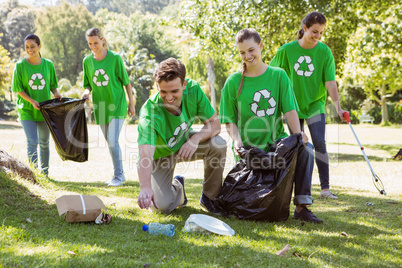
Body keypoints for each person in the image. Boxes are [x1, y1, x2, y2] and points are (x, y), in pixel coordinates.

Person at [220, 28, 323, 223]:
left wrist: (298, 135)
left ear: (260, 46)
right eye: (242, 52)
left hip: (276, 146)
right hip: (248, 150)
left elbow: (290, 110)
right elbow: (229, 120)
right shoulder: (233, 82)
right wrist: (237, 140)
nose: (247, 56)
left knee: (306, 148)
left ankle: (302, 207)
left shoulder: (278, 76)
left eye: (251, 50)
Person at [270, 12, 347, 199]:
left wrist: (338, 106)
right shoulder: (286, 51)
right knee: (298, 146)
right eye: (314, 31)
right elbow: (271, 75)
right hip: (292, 106)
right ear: (304, 28)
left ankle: (325, 189)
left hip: (315, 104)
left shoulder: (324, 52)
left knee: (319, 143)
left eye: (321, 32)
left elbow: (330, 82)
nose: (318, 36)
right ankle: (295, 190)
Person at [137, 57, 226, 214]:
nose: (169, 97)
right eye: (163, 91)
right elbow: (145, 154)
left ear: (184, 85)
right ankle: (178, 188)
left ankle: (210, 197)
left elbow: (215, 124)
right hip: (160, 156)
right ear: (157, 86)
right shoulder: (149, 113)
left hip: (184, 143)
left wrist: (195, 140)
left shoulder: (193, 90)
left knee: (218, 143)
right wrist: (145, 188)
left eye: (174, 91)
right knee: (160, 206)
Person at [81, 28, 135, 187]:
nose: (93, 46)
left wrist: (131, 104)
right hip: (101, 106)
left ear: (103, 40)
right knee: (110, 142)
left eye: (96, 43)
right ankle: (118, 174)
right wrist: (85, 93)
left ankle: (119, 176)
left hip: (117, 104)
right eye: (90, 44)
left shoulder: (115, 58)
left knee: (112, 140)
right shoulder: (87, 61)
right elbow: (88, 84)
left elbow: (126, 82)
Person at [11, 34, 62, 176]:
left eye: (32, 46)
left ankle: (44, 173)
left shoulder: (48, 64)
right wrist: (32, 101)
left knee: (44, 142)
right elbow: (18, 89)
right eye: (27, 47)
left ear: (39, 46)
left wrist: (56, 93)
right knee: (32, 141)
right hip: (27, 109)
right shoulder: (20, 66)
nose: (30, 49)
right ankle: (33, 174)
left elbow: (52, 85)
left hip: (44, 110)